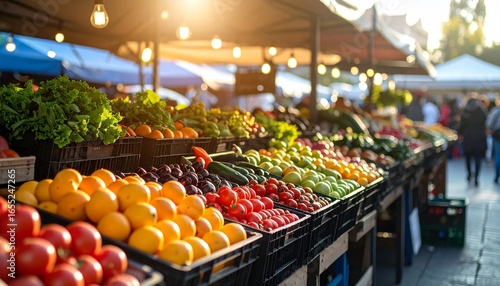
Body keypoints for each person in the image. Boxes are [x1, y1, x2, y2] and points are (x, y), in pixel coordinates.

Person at [458, 97, 488, 186]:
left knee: (468, 157)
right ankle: (477, 177)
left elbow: (461, 125)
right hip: (479, 136)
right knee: (478, 158)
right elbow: (485, 123)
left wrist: (459, 133)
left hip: (468, 136)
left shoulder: (465, 111)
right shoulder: (482, 111)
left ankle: (469, 174)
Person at [486, 97, 500, 184]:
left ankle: (497, 176)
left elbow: (489, 123)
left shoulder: (496, 111)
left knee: (498, 155)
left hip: (497, 135)